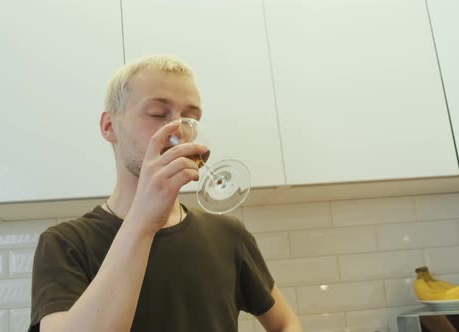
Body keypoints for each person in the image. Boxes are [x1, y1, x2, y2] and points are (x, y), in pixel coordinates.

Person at [28, 55, 302, 332]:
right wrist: (143, 221)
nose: (179, 130)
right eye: (158, 114)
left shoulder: (228, 233)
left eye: (191, 118)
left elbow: (286, 323)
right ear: (109, 127)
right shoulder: (65, 244)